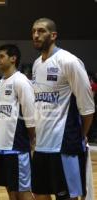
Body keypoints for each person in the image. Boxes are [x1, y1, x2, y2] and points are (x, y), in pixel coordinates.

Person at [31, 18, 95, 200]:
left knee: (66, 196)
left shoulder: (69, 62)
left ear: (53, 35)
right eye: (34, 31)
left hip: (64, 145)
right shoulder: (37, 64)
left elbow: (88, 108)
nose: (36, 35)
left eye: (41, 31)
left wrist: (79, 136)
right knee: (39, 193)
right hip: (41, 145)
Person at [0, 44, 35, 200]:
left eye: (1, 56)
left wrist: (32, 140)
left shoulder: (21, 81)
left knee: (23, 190)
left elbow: (30, 114)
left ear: (13, 58)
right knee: (11, 189)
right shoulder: (1, 82)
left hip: (16, 145)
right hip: (0, 146)